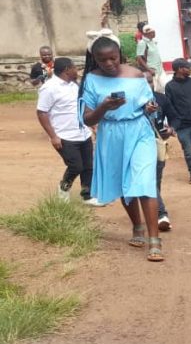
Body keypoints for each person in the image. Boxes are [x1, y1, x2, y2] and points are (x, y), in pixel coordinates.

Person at [79, 34, 163, 262]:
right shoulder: (90, 80)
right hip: (111, 134)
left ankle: (154, 239)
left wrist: (150, 106)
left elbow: (146, 105)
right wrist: (104, 106)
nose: (109, 64)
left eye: (113, 58)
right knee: (124, 184)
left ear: (120, 56)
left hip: (139, 132)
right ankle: (137, 225)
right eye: (102, 60)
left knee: (144, 182)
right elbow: (87, 119)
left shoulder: (136, 74)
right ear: (94, 59)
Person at [36, 57, 101, 206]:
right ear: (67, 70)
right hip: (64, 136)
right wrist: (53, 136)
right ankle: (63, 189)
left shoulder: (74, 85)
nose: (77, 71)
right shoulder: (49, 88)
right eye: (74, 68)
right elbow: (41, 113)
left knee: (88, 166)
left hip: (83, 133)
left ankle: (87, 195)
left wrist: (91, 125)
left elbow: (80, 106)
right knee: (75, 166)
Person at [145, 70, 178, 232]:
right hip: (138, 146)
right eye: (144, 82)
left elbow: (174, 117)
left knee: (155, 180)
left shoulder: (161, 98)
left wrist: (171, 129)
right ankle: (161, 214)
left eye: (150, 81)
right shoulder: (129, 101)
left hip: (158, 144)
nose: (148, 85)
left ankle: (152, 207)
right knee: (149, 180)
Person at [136, 25, 168, 92]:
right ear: (145, 34)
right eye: (152, 32)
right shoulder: (142, 43)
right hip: (152, 70)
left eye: (154, 32)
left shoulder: (153, 41)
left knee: (165, 87)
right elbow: (139, 58)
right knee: (154, 90)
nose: (154, 34)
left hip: (160, 69)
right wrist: (149, 69)